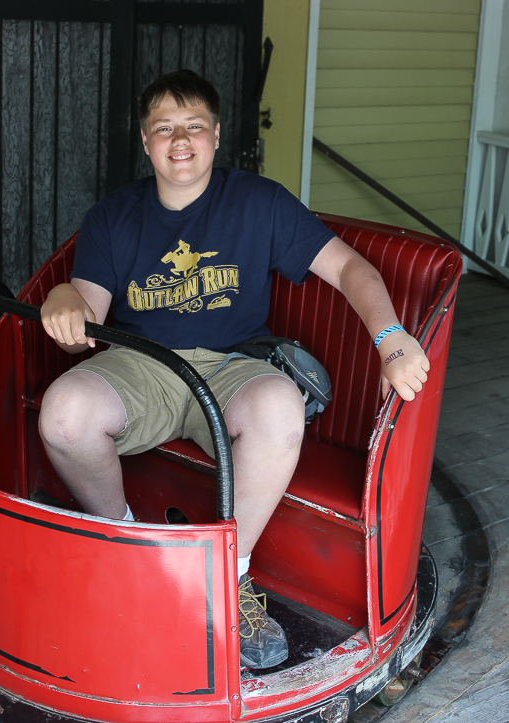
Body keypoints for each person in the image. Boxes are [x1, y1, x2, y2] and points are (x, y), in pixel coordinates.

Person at [39, 69, 430, 670]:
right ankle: (129, 543)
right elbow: (82, 321)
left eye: (193, 126)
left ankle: (226, 580)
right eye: (163, 128)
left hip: (233, 367)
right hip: (145, 365)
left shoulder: (259, 201)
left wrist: (390, 336)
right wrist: (64, 301)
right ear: (145, 143)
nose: (179, 140)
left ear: (216, 135)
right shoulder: (113, 216)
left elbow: (354, 270)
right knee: (63, 413)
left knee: (280, 404)